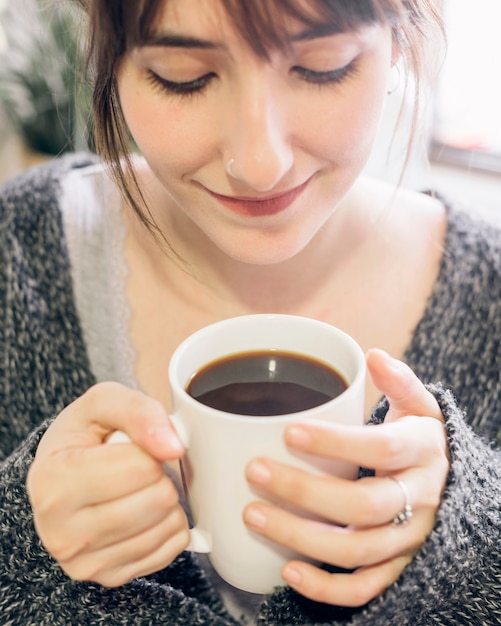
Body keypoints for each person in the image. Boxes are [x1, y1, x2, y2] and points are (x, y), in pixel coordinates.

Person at [0, 0, 499, 624]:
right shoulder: (16, 255)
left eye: (324, 66)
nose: (260, 165)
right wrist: (21, 536)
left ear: (397, 41)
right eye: (182, 76)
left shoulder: (491, 297)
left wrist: (471, 540)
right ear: (110, 62)